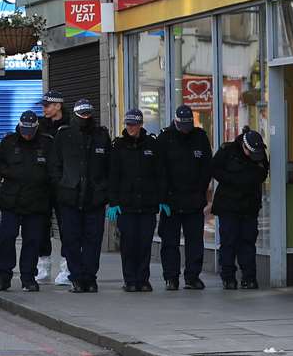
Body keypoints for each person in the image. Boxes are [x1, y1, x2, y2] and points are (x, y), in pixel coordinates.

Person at [0, 110, 61, 292]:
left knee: (32, 241)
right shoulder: (9, 142)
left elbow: (54, 169)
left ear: (36, 128)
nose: (27, 133)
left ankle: (28, 277)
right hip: (11, 201)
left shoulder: (46, 143)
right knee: (6, 238)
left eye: (30, 130)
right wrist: (8, 173)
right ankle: (4, 276)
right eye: (24, 129)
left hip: (37, 202)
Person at [52, 99, 110, 293]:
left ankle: (90, 278)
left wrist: (104, 190)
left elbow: (109, 166)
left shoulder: (101, 136)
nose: (85, 117)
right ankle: (76, 277)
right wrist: (61, 186)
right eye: (81, 114)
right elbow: (55, 165)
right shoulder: (64, 135)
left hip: (95, 198)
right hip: (69, 197)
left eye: (87, 114)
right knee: (71, 240)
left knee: (93, 241)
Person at [106, 108, 167, 292]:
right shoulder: (119, 146)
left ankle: (143, 279)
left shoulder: (151, 145)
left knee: (144, 243)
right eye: (128, 124)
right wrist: (114, 202)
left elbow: (160, 174)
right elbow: (113, 176)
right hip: (127, 205)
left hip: (147, 204)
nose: (130, 128)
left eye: (134, 124)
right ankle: (130, 279)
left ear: (141, 124)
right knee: (129, 243)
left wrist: (161, 199)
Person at [159, 104, 213, 289]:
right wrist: (162, 198)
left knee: (195, 242)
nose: (185, 131)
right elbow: (158, 170)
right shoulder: (165, 138)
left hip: (194, 200)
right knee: (170, 243)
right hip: (170, 201)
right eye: (182, 126)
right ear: (175, 121)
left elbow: (207, 167)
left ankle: (192, 276)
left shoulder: (199, 137)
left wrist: (201, 191)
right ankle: (171, 277)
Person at [211, 127, 269, 290]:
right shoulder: (227, 150)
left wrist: (248, 179)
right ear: (244, 146)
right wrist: (234, 180)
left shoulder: (259, 152)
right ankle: (228, 277)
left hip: (249, 206)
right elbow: (214, 169)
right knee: (229, 241)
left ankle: (249, 277)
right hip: (228, 205)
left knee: (248, 242)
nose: (253, 157)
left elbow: (263, 172)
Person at [36, 94, 69, 283]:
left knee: (66, 227)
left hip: (63, 184)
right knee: (41, 226)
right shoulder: (40, 127)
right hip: (43, 184)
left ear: (58, 106)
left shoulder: (70, 126)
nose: (45, 109)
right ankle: (44, 267)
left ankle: (66, 268)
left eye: (48, 106)